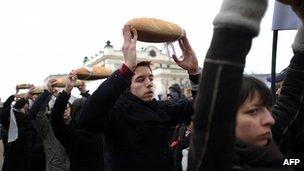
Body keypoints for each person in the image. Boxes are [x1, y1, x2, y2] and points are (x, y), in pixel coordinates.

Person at [188, 0, 304, 170]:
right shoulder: (215, 162)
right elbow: (214, 99)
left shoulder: (270, 143)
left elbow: (294, 95)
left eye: (268, 108)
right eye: (253, 111)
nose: (270, 120)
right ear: (225, 119)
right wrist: (244, 6)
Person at [77, 25, 200, 170]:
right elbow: (87, 120)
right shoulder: (117, 111)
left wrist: (194, 73)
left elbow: (201, 107)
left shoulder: (161, 107)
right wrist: (126, 69)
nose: (149, 84)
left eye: (151, 78)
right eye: (140, 80)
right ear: (127, 86)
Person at [50, 72, 104, 171]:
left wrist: (83, 92)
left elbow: (96, 106)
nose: (86, 114)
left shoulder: (97, 129)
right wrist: (67, 90)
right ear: (74, 113)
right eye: (81, 111)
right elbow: (55, 118)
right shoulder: (69, 132)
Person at [29, 79, 70, 171]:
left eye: (66, 108)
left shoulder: (76, 127)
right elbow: (35, 113)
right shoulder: (48, 129)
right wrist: (48, 92)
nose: (64, 111)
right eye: (61, 109)